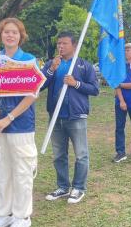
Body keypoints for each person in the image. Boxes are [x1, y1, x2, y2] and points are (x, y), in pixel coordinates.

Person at [0, 17, 38, 227]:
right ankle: (4, 213)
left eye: (14, 32)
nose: (10, 35)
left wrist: (10, 117)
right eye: (6, 32)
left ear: (20, 36)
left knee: (22, 172)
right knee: (2, 171)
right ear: (1, 35)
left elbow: (31, 95)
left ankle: (22, 217)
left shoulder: (28, 60)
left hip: (21, 126)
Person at [42, 31, 99, 203]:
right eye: (59, 43)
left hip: (76, 116)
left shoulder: (83, 65)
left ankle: (79, 188)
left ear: (74, 45)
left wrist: (76, 84)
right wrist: (51, 70)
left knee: (81, 154)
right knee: (59, 154)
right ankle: (63, 186)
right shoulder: (52, 63)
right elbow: (40, 85)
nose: (60, 46)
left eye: (64, 43)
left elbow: (95, 89)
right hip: (56, 116)